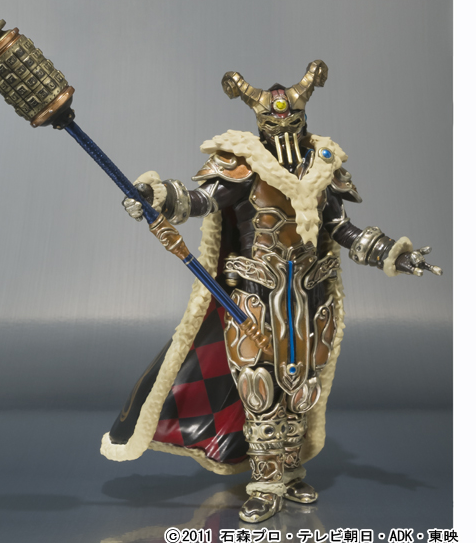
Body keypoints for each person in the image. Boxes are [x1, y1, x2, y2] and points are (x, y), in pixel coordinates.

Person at [101, 60, 442, 523]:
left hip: (309, 298)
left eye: (292, 117)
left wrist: (391, 254)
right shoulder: (241, 165)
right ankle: (265, 481)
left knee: (301, 389)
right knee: (258, 389)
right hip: (253, 299)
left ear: (303, 118)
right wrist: (159, 196)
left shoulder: (323, 168)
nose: (283, 125)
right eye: (273, 119)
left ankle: (291, 469)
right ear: (260, 122)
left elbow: (341, 228)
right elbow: (202, 200)